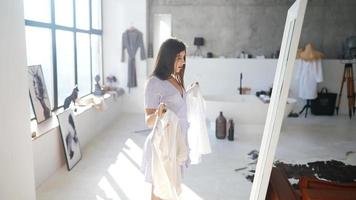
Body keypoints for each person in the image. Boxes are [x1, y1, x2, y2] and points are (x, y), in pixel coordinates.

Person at [143, 38, 188, 200]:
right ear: (168, 57)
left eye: (184, 57)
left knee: (170, 191)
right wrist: (158, 113)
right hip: (163, 145)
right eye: (179, 58)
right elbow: (148, 120)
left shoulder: (174, 78)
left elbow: (177, 105)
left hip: (176, 142)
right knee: (160, 191)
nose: (183, 62)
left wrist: (189, 90)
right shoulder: (154, 83)